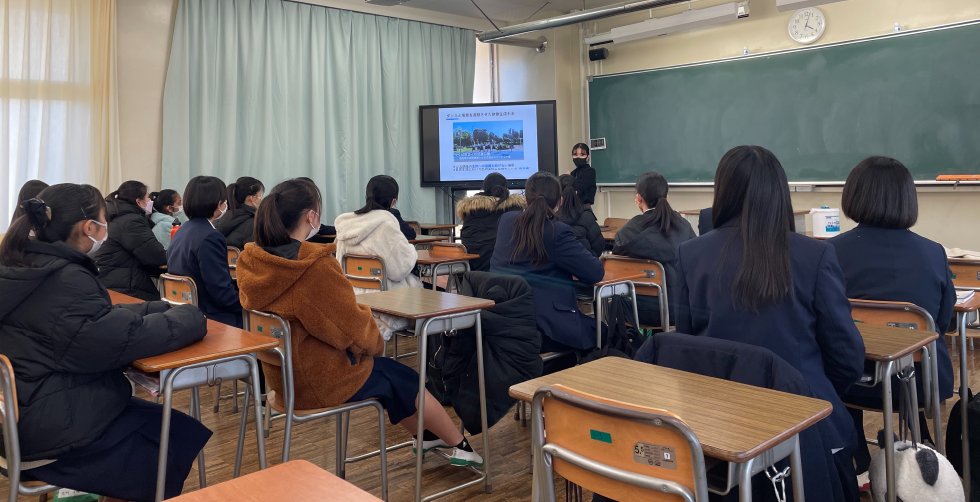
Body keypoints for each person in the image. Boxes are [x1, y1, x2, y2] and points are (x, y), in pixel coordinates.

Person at [236, 179, 484, 467]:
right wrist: (374, 343)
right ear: (311, 217)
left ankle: (429, 436)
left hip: (282, 379)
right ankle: (460, 445)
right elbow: (353, 331)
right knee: (401, 376)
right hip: (318, 381)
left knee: (390, 377)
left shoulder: (254, 262)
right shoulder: (312, 269)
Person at [673, 145, 864, 500]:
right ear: (779, 193)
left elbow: (686, 346)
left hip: (718, 427)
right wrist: (807, 389)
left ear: (723, 191)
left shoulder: (690, 254)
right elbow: (847, 357)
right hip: (805, 422)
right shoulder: (816, 255)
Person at [0, 183, 210, 502]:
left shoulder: (22, 265)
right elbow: (116, 340)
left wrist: (157, 307)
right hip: (46, 433)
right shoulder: (66, 279)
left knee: (173, 427)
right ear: (89, 227)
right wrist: (192, 316)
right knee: (169, 438)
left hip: (26, 413)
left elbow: (93, 323)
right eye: (103, 220)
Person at [828, 156, 955, 488]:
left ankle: (855, 455)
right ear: (908, 199)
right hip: (922, 381)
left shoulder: (829, 253)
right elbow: (941, 324)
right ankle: (925, 452)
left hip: (855, 382)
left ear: (852, 196)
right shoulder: (934, 253)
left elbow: (826, 325)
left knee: (835, 357)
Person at [490, 172, 605, 353]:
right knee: (606, 333)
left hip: (503, 324)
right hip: (545, 330)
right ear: (559, 202)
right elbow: (595, 273)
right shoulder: (557, 232)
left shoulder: (505, 221)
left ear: (525, 200)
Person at [612, 172, 696, 327]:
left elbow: (616, 269)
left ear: (638, 199)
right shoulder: (684, 227)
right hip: (682, 311)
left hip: (636, 312)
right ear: (666, 198)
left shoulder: (627, 232)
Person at [167, 176, 243, 328]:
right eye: (224, 201)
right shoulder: (210, 237)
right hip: (211, 317)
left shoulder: (183, 230)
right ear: (217, 204)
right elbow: (222, 295)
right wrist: (251, 303)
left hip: (184, 311)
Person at [334, 175, 422, 293]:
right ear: (393, 202)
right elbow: (401, 269)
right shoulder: (386, 226)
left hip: (352, 295)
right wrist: (412, 251)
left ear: (367, 196)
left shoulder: (346, 226)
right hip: (385, 297)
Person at [96, 181, 169, 301]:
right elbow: (157, 256)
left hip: (108, 282)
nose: (150, 201)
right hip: (125, 286)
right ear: (138, 202)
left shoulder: (112, 216)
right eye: (147, 197)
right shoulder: (131, 222)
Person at [456, 173, 526, 271]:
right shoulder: (515, 208)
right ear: (506, 188)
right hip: (506, 269)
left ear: (484, 188)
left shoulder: (470, 209)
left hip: (473, 268)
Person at [557, 174, 605, 257]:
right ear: (576, 192)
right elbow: (598, 247)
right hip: (585, 265)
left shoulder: (550, 217)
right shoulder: (586, 215)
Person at [216, 176, 264, 249]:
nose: (261, 199)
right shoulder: (254, 223)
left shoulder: (220, 218)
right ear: (252, 198)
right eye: (260, 195)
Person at [567, 143, 597, 208]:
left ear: (587, 157)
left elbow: (578, 187)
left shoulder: (590, 172)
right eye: (575, 154)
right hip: (571, 209)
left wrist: (567, 180)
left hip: (584, 209)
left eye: (582, 155)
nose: (578, 157)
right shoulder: (573, 173)